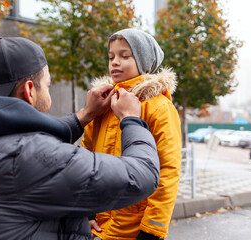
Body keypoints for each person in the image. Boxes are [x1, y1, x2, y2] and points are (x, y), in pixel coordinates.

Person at [0, 37, 160, 240]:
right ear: (30, 91)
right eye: (48, 86)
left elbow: (18, 133)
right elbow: (141, 176)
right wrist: (131, 120)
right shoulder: (29, 157)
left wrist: (83, 116)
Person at [81, 29, 182, 240]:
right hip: (98, 226)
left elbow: (167, 170)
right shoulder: (103, 103)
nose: (115, 62)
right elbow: (85, 159)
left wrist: (152, 229)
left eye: (124, 56)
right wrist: (86, 210)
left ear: (144, 62)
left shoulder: (159, 107)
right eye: (111, 57)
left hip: (133, 229)